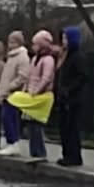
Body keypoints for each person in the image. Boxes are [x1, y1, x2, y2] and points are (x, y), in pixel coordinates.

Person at [14, 28, 56, 160]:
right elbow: (29, 75)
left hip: (40, 95)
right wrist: (25, 89)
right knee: (31, 124)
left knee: (36, 124)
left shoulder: (48, 59)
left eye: (35, 44)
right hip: (32, 94)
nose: (33, 47)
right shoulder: (35, 59)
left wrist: (37, 91)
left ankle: (40, 152)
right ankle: (35, 152)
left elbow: (46, 77)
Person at [53, 25, 90, 167]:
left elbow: (82, 77)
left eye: (65, 38)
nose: (63, 41)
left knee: (71, 128)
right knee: (64, 127)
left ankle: (73, 156)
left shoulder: (77, 57)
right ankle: (67, 154)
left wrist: (68, 89)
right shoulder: (66, 55)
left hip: (73, 98)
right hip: (65, 97)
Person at [0, 31, 30, 153]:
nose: (10, 45)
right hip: (8, 92)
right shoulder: (11, 57)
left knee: (9, 117)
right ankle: (12, 142)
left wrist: (10, 87)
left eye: (13, 42)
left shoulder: (21, 57)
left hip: (13, 93)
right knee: (9, 117)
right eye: (9, 42)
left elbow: (22, 76)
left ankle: (13, 142)